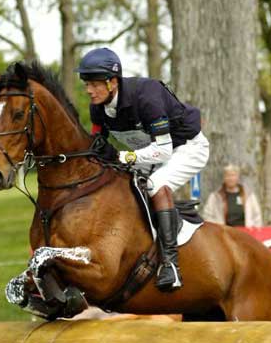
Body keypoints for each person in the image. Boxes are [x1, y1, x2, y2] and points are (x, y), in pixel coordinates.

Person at [75, 47, 209, 291]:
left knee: (155, 184)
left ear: (112, 82)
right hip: (150, 154)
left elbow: (165, 151)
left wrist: (121, 156)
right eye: (86, 84)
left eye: (94, 84)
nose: (88, 90)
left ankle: (170, 265)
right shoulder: (98, 107)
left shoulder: (147, 95)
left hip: (186, 148)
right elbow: (97, 145)